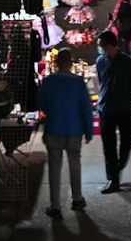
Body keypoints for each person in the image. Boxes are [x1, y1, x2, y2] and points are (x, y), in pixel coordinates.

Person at [38, 48, 94, 217]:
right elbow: (86, 109)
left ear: (55, 63)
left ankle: (55, 207)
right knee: (75, 166)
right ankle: (77, 199)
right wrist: (89, 131)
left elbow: (41, 104)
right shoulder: (78, 83)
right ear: (71, 63)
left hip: (54, 130)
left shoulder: (48, 82)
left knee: (54, 169)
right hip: (74, 131)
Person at [94, 30, 131, 194]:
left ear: (108, 46)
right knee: (109, 146)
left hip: (123, 109)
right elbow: (101, 80)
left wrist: (125, 97)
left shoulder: (128, 62)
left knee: (126, 143)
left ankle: (119, 166)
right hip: (106, 109)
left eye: (100, 46)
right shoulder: (100, 61)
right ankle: (113, 178)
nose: (99, 49)